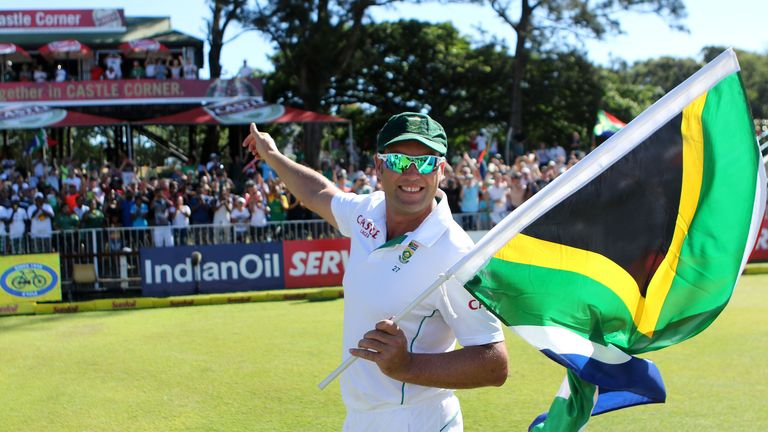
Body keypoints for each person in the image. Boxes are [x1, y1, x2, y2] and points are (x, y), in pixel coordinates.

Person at [242, 112, 507, 431]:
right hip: (359, 418)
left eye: (425, 162)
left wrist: (407, 366)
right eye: (398, 161)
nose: (412, 173)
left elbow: (495, 363)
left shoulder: (457, 253)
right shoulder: (367, 210)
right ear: (379, 166)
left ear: (440, 170)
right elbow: (317, 193)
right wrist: (272, 154)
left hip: (418, 420)